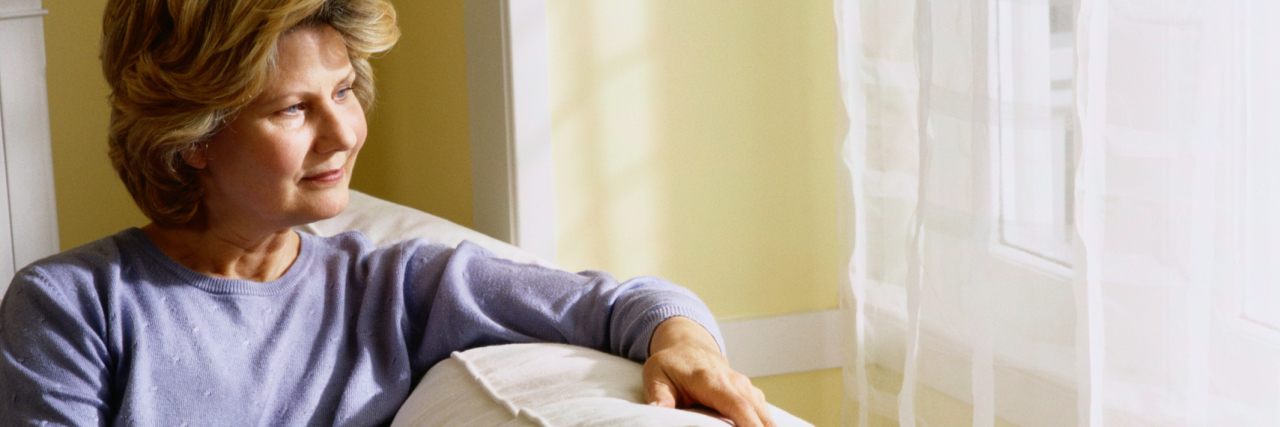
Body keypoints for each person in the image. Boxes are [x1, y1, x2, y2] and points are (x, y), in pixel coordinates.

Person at [0, 0, 775, 425]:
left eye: (342, 92)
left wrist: (688, 346)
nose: (343, 132)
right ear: (194, 135)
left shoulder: (396, 284)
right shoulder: (71, 305)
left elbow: (622, 302)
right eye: (292, 110)